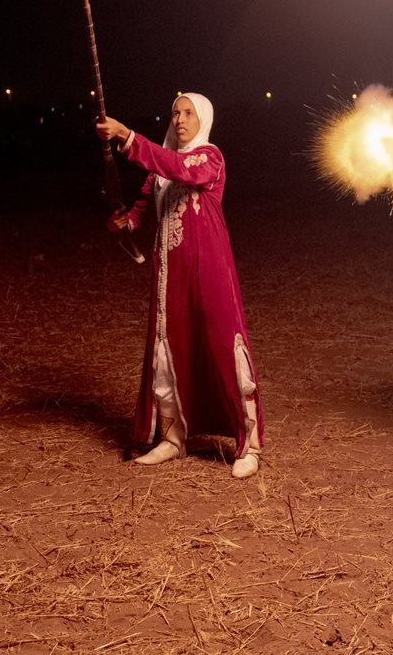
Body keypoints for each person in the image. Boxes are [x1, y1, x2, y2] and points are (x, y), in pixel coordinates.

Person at [95, 93, 265, 478]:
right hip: (169, 273)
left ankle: (249, 442)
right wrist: (123, 224)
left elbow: (180, 168)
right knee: (168, 347)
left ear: (203, 118)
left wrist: (127, 137)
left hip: (210, 270)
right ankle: (172, 438)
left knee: (223, 344)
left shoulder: (209, 158)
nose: (180, 119)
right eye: (175, 113)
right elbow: (141, 208)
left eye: (188, 113)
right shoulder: (159, 170)